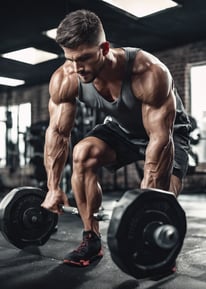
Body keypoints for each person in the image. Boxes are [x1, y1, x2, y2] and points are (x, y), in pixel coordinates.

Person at [41, 9, 191, 267]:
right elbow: (57, 133)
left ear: (105, 48)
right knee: (82, 154)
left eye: (84, 58)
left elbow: (159, 141)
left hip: (167, 134)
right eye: (70, 59)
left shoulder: (149, 72)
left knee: (160, 200)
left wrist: (147, 203)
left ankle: (159, 251)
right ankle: (91, 239)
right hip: (122, 129)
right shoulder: (67, 77)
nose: (77, 68)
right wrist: (53, 187)